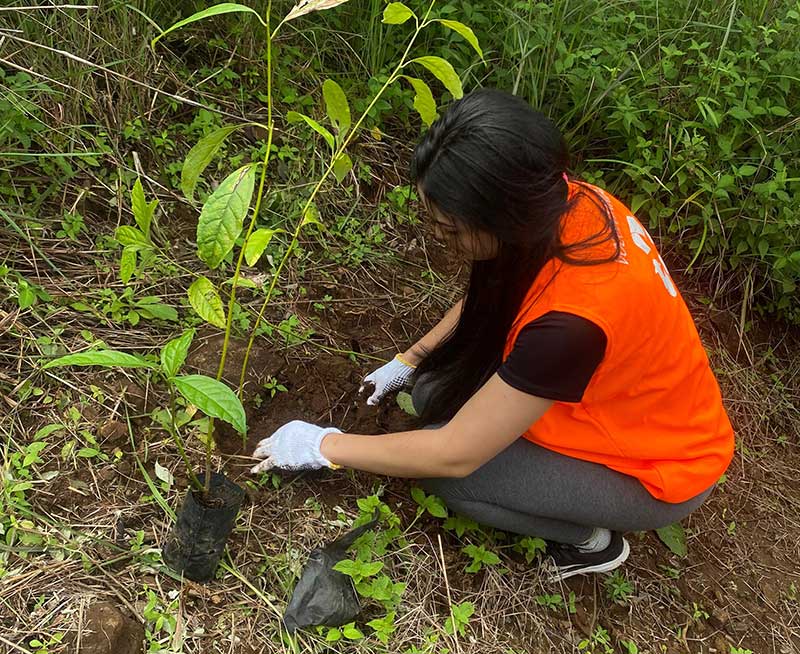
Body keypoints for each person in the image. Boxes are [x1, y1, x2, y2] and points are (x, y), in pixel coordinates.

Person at [250, 89, 734, 580]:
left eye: (452, 230)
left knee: (454, 481)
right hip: (607, 401)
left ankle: (591, 541)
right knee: (432, 389)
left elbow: (455, 454)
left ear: (504, 218)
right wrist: (412, 358)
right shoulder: (568, 201)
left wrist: (326, 446)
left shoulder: (573, 325)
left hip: (654, 462)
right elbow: (507, 296)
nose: (442, 239)